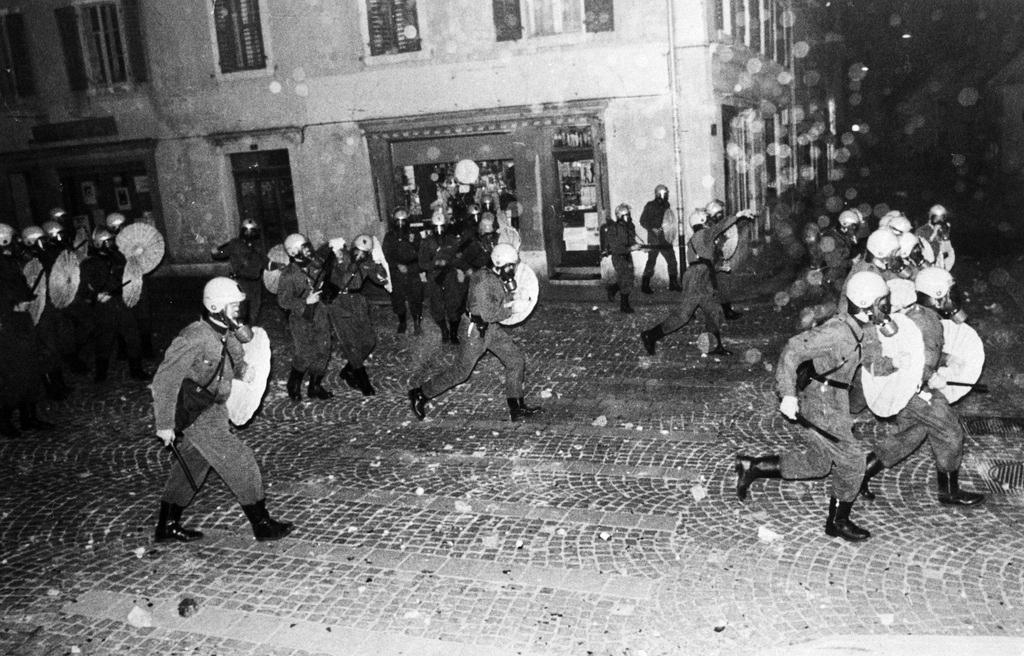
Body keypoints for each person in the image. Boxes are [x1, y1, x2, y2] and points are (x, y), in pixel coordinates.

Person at [734, 270, 895, 542]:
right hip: (820, 402)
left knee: (819, 463)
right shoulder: (837, 331)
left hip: (835, 400)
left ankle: (754, 466)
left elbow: (870, 363)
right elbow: (793, 349)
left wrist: (902, 366)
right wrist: (787, 394)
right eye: (882, 302)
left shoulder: (861, 330)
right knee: (853, 460)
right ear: (867, 304)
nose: (886, 307)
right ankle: (837, 522)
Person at [151, 277, 293, 543]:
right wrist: (165, 424)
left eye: (240, 306)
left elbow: (233, 359)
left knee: (193, 463)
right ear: (215, 307)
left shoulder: (226, 333)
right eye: (234, 307)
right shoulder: (194, 336)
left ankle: (166, 526)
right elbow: (165, 380)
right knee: (240, 460)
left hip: (214, 406)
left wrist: (243, 372)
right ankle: (262, 525)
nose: (239, 312)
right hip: (195, 411)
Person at [859, 267, 984, 506]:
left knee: (909, 436)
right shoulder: (926, 322)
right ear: (939, 296)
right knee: (950, 431)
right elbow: (919, 359)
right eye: (949, 293)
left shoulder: (919, 314)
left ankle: (858, 476)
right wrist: (933, 376)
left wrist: (946, 358)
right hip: (917, 392)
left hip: (906, 390)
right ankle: (949, 491)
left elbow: (920, 350)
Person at [408, 244, 541, 422]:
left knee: (515, 359)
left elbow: (497, 301)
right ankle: (420, 393)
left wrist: (515, 298)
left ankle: (516, 408)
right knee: (461, 372)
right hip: (475, 332)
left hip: (490, 329)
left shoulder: (495, 274)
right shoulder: (483, 281)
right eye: (512, 266)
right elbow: (491, 313)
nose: (514, 269)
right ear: (502, 264)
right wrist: (513, 309)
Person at [640, 207, 754, 356]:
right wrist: (738, 215)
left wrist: (720, 267)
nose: (709, 223)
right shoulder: (703, 235)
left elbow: (705, 261)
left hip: (703, 277)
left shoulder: (701, 238)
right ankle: (650, 335)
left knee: (713, 311)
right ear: (702, 221)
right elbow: (719, 228)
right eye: (706, 220)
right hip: (696, 279)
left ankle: (715, 346)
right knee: (683, 315)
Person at [0, 223, 55, 436]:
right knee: (12, 373)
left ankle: (29, 416)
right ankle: (4, 421)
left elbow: (21, 286)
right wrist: (11, 306)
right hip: (7, 324)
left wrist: (26, 299)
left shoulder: (10, 262)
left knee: (31, 368)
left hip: (21, 320)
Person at [77, 228, 150, 382]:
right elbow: (82, 288)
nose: (111, 244)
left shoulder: (119, 258)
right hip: (104, 308)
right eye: (107, 241)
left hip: (122, 303)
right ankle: (100, 374)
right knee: (104, 340)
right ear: (99, 243)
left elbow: (129, 274)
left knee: (132, 336)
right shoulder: (89, 264)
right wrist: (95, 296)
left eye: (112, 241)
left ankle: (136, 370)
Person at [326, 235, 389, 396]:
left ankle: (348, 369)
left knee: (369, 341)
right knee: (351, 343)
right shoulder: (340, 257)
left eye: (363, 253)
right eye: (357, 251)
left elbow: (382, 280)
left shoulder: (367, 263)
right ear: (352, 248)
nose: (359, 255)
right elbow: (341, 276)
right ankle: (363, 381)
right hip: (339, 302)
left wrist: (377, 263)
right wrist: (341, 257)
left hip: (358, 302)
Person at [276, 233, 333, 401]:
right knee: (305, 353)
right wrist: (304, 302)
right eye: (304, 248)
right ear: (294, 253)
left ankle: (315, 386)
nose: (309, 251)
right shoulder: (288, 275)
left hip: (320, 314)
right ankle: (293, 384)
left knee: (323, 349)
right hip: (301, 319)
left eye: (308, 247)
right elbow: (283, 301)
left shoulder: (316, 265)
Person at [419, 208, 467, 344]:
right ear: (432, 227)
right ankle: (444, 331)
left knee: (454, 305)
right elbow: (422, 263)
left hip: (449, 276)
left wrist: (450, 263)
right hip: (434, 278)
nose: (439, 230)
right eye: (436, 227)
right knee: (436, 307)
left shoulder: (452, 240)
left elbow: (459, 258)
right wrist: (435, 264)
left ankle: (453, 333)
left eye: (441, 227)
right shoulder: (426, 242)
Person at [211, 219, 267, 325]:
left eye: (252, 230)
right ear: (242, 231)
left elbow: (265, 262)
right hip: (241, 282)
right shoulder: (234, 244)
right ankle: (240, 335)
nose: (249, 233)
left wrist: (277, 265)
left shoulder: (258, 247)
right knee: (241, 311)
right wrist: (216, 251)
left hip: (256, 283)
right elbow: (218, 254)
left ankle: (250, 333)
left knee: (254, 311)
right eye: (246, 230)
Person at [382, 208, 424, 335]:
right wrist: (396, 264)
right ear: (394, 221)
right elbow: (386, 255)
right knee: (398, 298)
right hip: (397, 272)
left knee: (416, 297)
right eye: (398, 221)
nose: (401, 224)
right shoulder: (390, 236)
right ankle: (402, 322)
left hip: (412, 270)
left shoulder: (414, 234)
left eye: (404, 221)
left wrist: (412, 243)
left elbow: (421, 252)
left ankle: (417, 322)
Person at [704, 200, 744, 320]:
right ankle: (724, 312)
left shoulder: (716, 225)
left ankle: (725, 310)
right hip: (713, 260)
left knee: (722, 285)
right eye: (719, 213)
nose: (721, 215)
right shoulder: (708, 227)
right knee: (717, 285)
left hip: (718, 259)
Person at [639, 184, 681, 294]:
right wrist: (652, 228)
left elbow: (668, 220)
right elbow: (643, 220)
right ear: (659, 194)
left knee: (672, 261)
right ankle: (645, 285)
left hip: (665, 238)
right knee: (651, 261)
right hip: (654, 239)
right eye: (665, 194)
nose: (666, 196)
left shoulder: (666, 205)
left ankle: (673, 283)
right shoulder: (650, 205)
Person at [600, 203, 640, 314]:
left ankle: (612, 289)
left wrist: (639, 247)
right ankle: (624, 306)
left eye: (628, 214)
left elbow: (631, 240)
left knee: (628, 279)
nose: (628, 217)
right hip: (619, 256)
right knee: (625, 280)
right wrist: (631, 248)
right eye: (625, 215)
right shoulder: (614, 229)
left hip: (627, 255)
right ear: (619, 216)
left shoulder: (630, 226)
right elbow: (616, 248)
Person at [820, 209, 863, 294]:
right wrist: (851, 262)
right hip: (830, 278)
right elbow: (833, 263)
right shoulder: (830, 238)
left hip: (839, 275)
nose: (853, 230)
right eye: (852, 227)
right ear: (844, 225)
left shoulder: (842, 236)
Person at [915, 204, 954, 271]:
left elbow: (947, 250)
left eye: (942, 218)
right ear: (931, 218)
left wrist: (945, 237)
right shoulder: (922, 230)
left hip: (939, 263)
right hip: (926, 264)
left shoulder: (943, 230)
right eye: (936, 218)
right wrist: (933, 234)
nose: (939, 221)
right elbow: (921, 248)